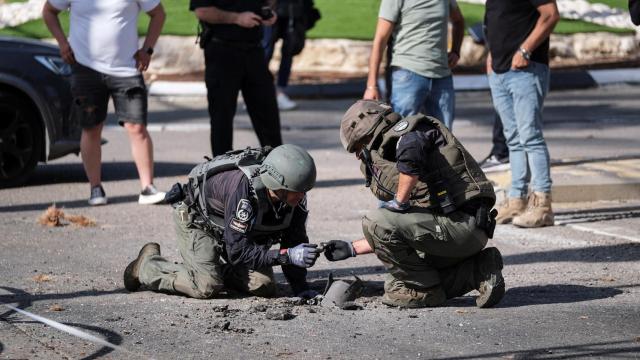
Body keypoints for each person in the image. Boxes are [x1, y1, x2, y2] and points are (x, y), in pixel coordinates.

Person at [324, 100, 505, 309]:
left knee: (376, 221)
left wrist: (399, 202)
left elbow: (411, 155)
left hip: (460, 226)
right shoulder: (398, 146)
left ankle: (427, 291)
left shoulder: (409, 134)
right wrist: (351, 248)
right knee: (396, 286)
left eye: (357, 148)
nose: (359, 156)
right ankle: (479, 271)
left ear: (367, 134)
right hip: (457, 230)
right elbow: (403, 230)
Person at [123, 145, 321, 299]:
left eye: (305, 190)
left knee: (264, 285)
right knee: (206, 286)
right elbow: (238, 252)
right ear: (277, 185)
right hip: (200, 222)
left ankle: (212, 269)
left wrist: (300, 288)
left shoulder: (294, 196)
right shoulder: (245, 194)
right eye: (298, 191)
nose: (302, 195)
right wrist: (287, 256)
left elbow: (294, 240)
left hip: (232, 233)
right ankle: (146, 266)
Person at [42, 0, 167, 206]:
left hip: (127, 69)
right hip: (85, 67)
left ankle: (147, 188)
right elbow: (49, 11)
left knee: (137, 127)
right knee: (91, 128)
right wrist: (63, 43)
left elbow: (158, 14)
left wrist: (148, 49)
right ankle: (95, 188)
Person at [485, 0, 560, 227]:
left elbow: (550, 15)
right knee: (513, 139)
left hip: (525, 69)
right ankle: (517, 199)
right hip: (500, 70)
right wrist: (491, 57)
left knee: (530, 136)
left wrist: (525, 50)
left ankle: (542, 205)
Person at [191, 0, 283, 156]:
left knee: (268, 116)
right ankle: (222, 174)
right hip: (222, 51)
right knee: (222, 118)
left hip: (254, 51)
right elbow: (202, 11)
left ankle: (279, 171)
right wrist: (237, 18)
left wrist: (267, 11)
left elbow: (268, 3)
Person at [363, 0, 465, 130]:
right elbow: (380, 39)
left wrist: (456, 50)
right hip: (408, 75)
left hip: (441, 77)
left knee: (444, 142)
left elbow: (458, 21)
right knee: (399, 137)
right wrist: (372, 86)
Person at [262, 0, 318, 111]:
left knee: (289, 51)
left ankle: (280, 93)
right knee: (265, 52)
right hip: (272, 8)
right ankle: (257, 92)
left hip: (294, 10)